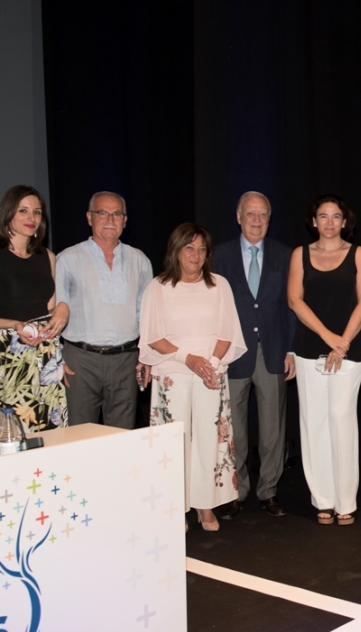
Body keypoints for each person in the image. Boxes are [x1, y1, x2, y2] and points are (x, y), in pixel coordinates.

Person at [139, 223, 246, 532]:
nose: (196, 254)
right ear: (176, 250)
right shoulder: (158, 286)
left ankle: (205, 504)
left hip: (210, 373)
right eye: (189, 247)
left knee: (208, 440)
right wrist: (188, 359)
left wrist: (209, 365)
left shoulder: (219, 285)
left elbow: (228, 333)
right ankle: (174, 506)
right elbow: (152, 338)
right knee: (174, 442)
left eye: (201, 249)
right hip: (172, 372)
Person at [288, 195, 361, 526]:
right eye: (323, 216)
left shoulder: (358, 254)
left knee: (341, 419)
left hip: (349, 350)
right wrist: (328, 338)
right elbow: (295, 300)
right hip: (309, 348)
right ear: (314, 221)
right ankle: (323, 498)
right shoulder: (300, 255)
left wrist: (343, 344)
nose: (329, 223)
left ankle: (345, 501)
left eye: (335, 216)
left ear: (344, 221)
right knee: (315, 423)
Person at [213, 191, 296, 520]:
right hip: (233, 354)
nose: (257, 220)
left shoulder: (285, 255)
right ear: (238, 217)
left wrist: (290, 348)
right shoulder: (219, 256)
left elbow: (291, 307)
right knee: (234, 429)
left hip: (273, 352)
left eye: (263, 215)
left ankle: (269, 490)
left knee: (273, 429)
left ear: (269, 218)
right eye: (251, 214)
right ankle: (236, 490)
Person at [0, 184, 68, 431]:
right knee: (13, 437)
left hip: (46, 356)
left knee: (52, 435)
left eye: (37, 212)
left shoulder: (48, 256)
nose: (31, 218)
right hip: (10, 355)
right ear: (8, 214)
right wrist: (13, 324)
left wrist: (63, 307)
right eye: (23, 211)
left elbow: (48, 311)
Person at [55, 191, 153, 429]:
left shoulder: (140, 261)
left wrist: (148, 355)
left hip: (126, 362)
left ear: (125, 220)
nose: (110, 219)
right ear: (89, 217)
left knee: (122, 438)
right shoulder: (67, 259)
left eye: (117, 213)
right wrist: (55, 358)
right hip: (80, 362)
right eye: (102, 213)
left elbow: (147, 315)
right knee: (79, 438)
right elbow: (55, 312)